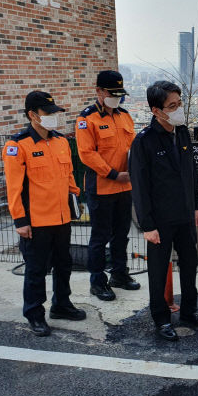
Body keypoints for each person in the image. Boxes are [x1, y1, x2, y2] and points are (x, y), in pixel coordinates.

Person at [129, 80, 198, 341]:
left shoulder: (184, 133)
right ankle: (161, 319)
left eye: (180, 103)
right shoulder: (144, 141)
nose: (178, 110)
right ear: (156, 110)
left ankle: (190, 311)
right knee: (157, 270)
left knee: (190, 266)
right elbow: (140, 186)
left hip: (186, 214)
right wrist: (147, 225)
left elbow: (192, 173)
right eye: (172, 106)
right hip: (160, 220)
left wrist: (196, 206)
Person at [2, 91, 86, 336]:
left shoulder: (61, 142)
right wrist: (20, 220)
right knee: (37, 270)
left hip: (62, 218)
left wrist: (75, 199)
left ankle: (61, 305)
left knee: (64, 265)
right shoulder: (17, 146)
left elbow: (70, 175)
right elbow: (14, 188)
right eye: (47, 113)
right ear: (32, 115)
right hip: (36, 222)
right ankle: (34, 313)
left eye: (55, 113)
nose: (53, 117)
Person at [76, 70, 141, 302]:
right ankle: (97, 282)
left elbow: (133, 148)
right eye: (112, 93)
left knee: (121, 235)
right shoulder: (87, 119)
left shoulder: (125, 116)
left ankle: (119, 275)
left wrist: (133, 173)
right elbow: (86, 155)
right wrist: (114, 174)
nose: (116, 98)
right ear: (99, 92)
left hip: (125, 187)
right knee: (100, 236)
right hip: (102, 187)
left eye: (119, 94)